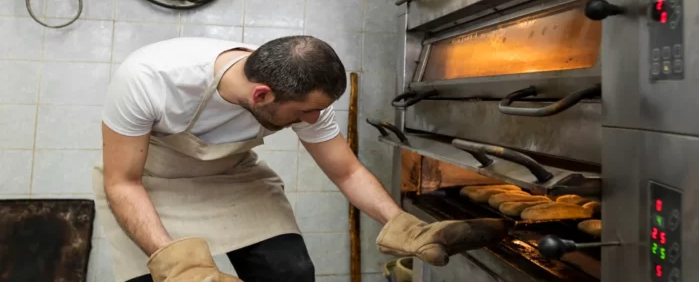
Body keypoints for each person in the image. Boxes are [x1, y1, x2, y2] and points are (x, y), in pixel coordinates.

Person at [92, 36, 509, 282]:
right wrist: (181, 268)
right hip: (148, 185)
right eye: (305, 113)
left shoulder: (303, 92)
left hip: (231, 180)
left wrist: (401, 223)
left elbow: (345, 170)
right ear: (261, 96)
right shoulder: (149, 79)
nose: (314, 119)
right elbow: (122, 183)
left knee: (288, 272)